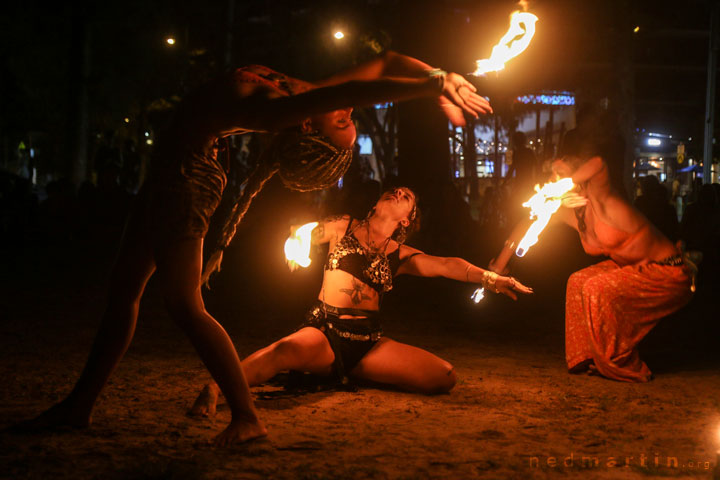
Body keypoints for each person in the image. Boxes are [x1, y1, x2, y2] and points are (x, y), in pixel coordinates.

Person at [13, 52, 492, 445]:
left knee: (183, 304)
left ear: (309, 129)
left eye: (343, 118)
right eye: (347, 119)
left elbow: (354, 91)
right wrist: (440, 75)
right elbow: (382, 62)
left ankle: (246, 416)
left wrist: (432, 85)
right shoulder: (305, 93)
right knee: (124, 290)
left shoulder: (282, 112)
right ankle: (80, 405)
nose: (347, 113)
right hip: (168, 174)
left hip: (186, 181)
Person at [189, 187, 532, 416]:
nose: (398, 192)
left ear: (407, 218)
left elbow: (446, 265)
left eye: (407, 196)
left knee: (445, 377)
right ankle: (217, 388)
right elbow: (306, 231)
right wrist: (296, 240)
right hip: (326, 330)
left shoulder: (401, 254)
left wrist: (492, 278)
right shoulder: (343, 227)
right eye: (394, 190)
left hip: (369, 342)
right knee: (283, 351)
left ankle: (347, 371)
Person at [490, 111, 694, 383]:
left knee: (596, 287)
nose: (554, 176)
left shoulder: (601, 198)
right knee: (578, 280)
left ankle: (620, 360)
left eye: (560, 169)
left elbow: (598, 163)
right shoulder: (572, 212)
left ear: (576, 168)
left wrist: (563, 188)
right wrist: (498, 267)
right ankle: (587, 357)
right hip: (633, 270)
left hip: (668, 274)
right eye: (552, 172)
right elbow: (526, 224)